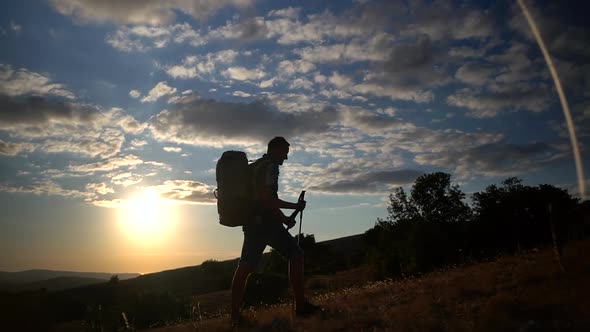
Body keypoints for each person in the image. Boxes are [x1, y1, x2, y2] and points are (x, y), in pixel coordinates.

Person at [230, 136, 320, 326]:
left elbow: (264, 201)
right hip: (266, 224)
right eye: (285, 153)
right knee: (296, 255)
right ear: (276, 149)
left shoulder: (256, 167)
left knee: (244, 267)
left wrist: (284, 218)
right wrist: (294, 206)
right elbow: (267, 200)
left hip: (253, 224)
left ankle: (235, 318)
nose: (285, 158)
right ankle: (301, 308)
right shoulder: (270, 167)